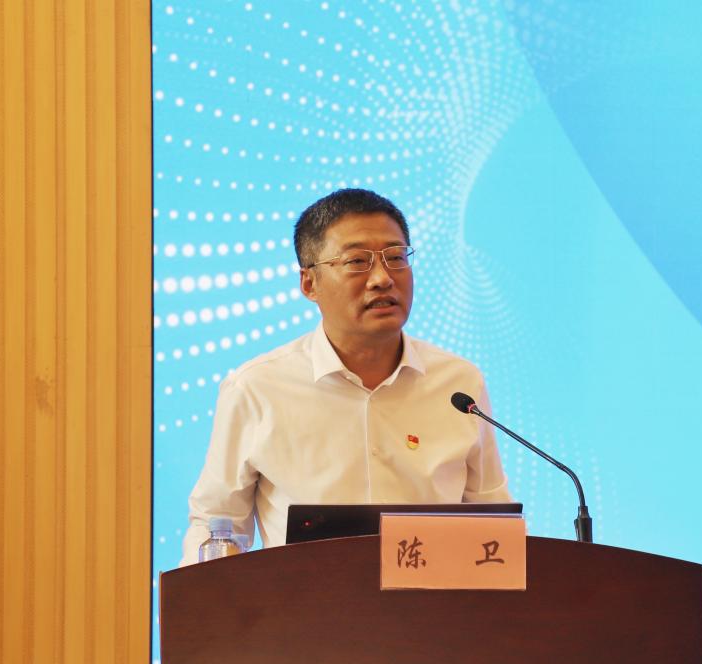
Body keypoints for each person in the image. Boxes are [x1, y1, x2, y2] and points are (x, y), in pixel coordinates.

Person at [181, 188, 511, 563]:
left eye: (395, 257)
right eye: (357, 261)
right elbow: (217, 524)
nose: (382, 278)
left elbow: (495, 523)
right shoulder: (257, 388)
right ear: (309, 283)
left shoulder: (458, 384)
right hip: (307, 599)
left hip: (432, 599)